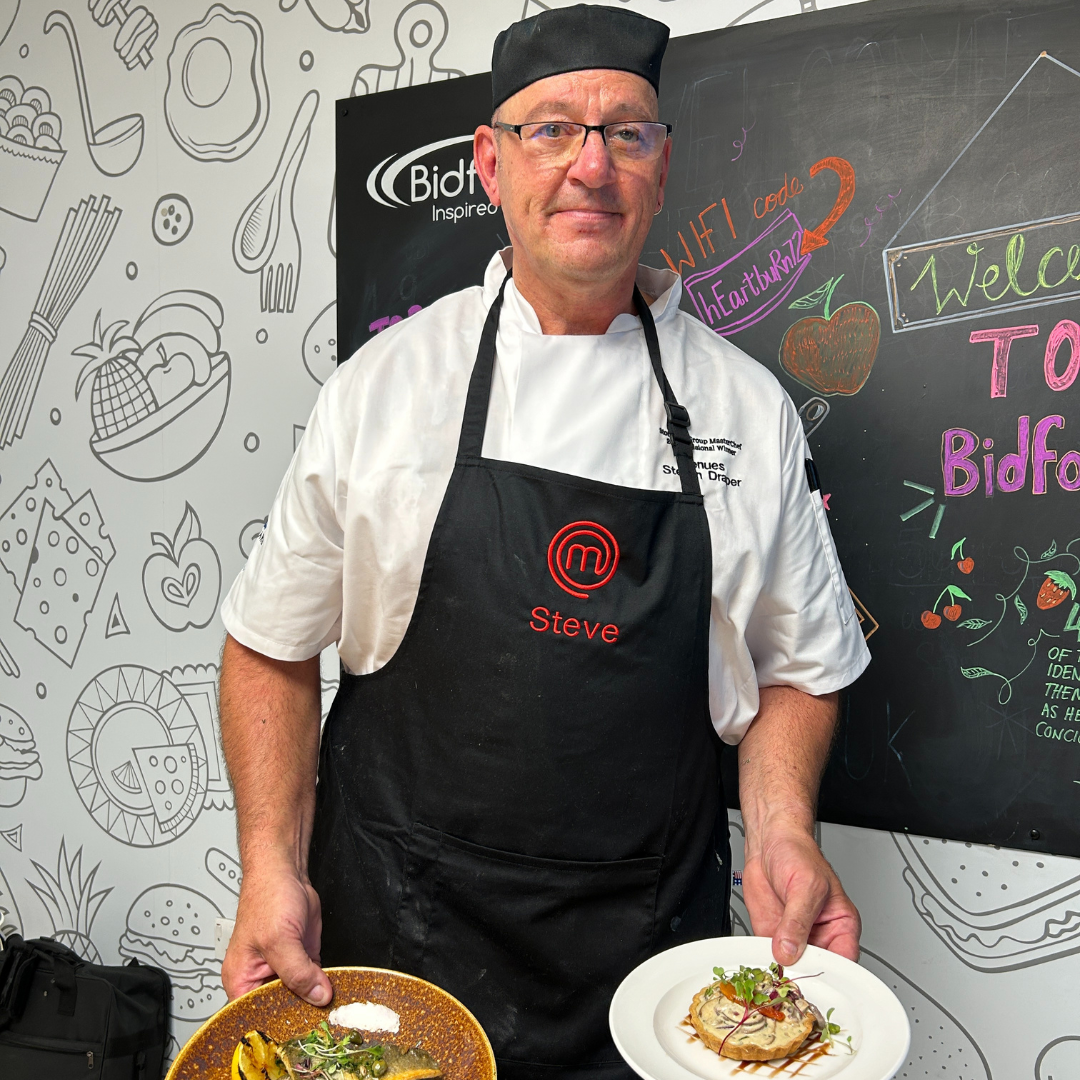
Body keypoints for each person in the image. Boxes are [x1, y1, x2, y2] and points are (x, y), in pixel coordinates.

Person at [218, 5, 870, 1077]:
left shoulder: (745, 412)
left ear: (664, 169)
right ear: (488, 161)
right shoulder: (386, 389)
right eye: (552, 129)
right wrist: (266, 865)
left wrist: (787, 829)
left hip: (649, 968)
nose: (590, 164)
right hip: (399, 943)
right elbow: (269, 647)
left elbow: (801, 668)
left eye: (627, 132)